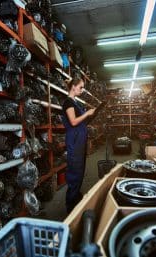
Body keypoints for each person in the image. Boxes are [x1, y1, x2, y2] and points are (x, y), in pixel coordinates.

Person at [62, 77, 96, 213]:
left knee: (80, 169)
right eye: (80, 87)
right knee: (74, 171)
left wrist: (91, 115)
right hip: (74, 141)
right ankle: (70, 204)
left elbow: (81, 122)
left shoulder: (75, 102)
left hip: (80, 140)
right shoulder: (68, 102)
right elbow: (74, 122)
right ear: (73, 87)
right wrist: (87, 113)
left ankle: (76, 196)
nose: (82, 90)